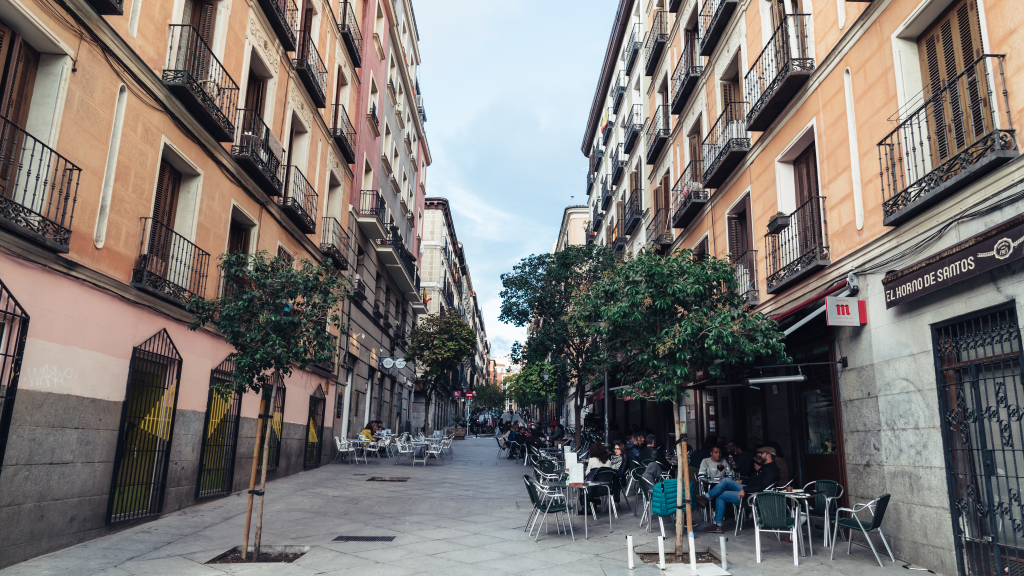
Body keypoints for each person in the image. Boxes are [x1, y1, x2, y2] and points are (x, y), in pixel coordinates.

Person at [702, 448, 781, 533]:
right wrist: (743, 481)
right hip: (750, 490)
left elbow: (762, 487)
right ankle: (706, 498)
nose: (759, 455)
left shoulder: (770, 470)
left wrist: (745, 489)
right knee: (726, 481)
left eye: (762, 453)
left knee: (721, 494)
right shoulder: (766, 466)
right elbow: (754, 481)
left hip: (754, 496)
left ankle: (716, 522)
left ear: (769, 456)